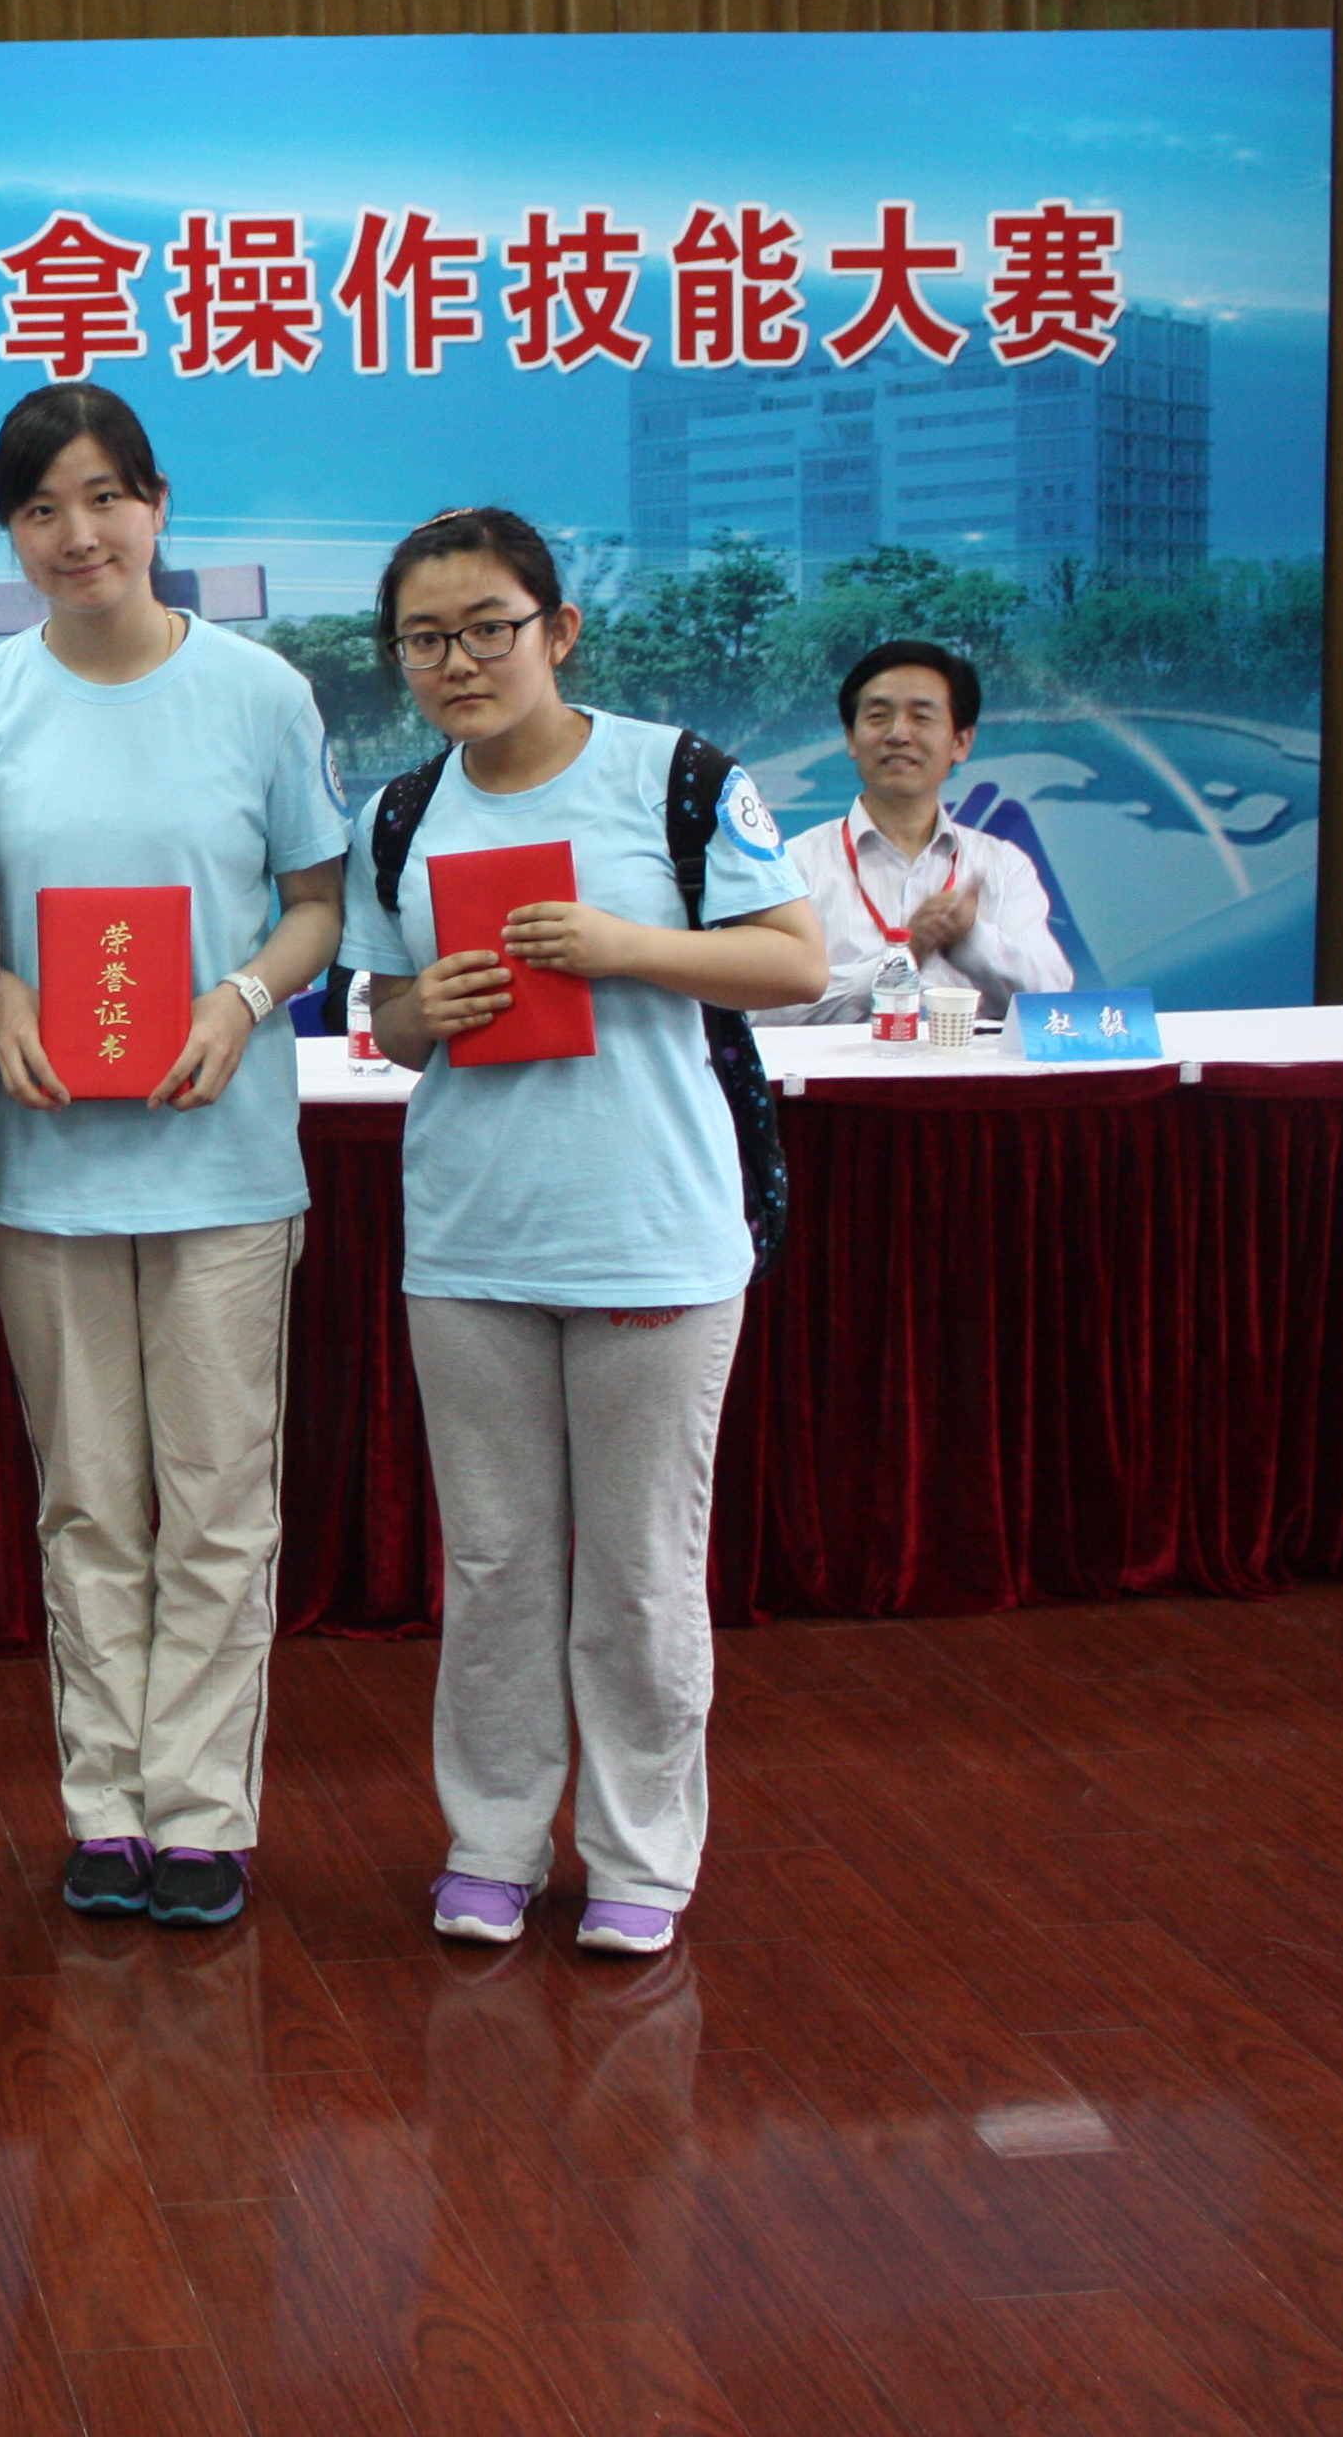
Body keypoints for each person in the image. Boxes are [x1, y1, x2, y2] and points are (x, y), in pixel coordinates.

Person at [340, 506, 822, 1961]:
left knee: (640, 1571)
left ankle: (638, 1856)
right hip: (473, 1241)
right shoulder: (401, 814)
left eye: (488, 628)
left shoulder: (676, 778)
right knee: (493, 1567)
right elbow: (390, 1022)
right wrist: (428, 1008)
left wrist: (627, 949)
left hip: (654, 1234)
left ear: (558, 629)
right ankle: (491, 1842)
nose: (458, 662)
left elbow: (794, 962)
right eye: (425, 639)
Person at [0, 384, 346, 1934]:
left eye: (106, 497)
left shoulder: (259, 693)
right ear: (10, 533)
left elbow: (317, 904)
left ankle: (199, 1814)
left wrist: (242, 999)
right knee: (87, 1504)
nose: (80, 533)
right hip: (45, 1168)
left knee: (217, 1498)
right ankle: (104, 1807)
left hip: (222, 1167)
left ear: (158, 504)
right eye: (43, 508)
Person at [770, 637, 1074, 1024]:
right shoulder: (795, 866)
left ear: (961, 742)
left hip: (971, 1064)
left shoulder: (1003, 865)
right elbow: (760, 1010)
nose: (898, 734)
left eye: (921, 717)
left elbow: (1054, 1003)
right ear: (851, 738)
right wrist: (897, 965)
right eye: (878, 716)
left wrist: (972, 939)